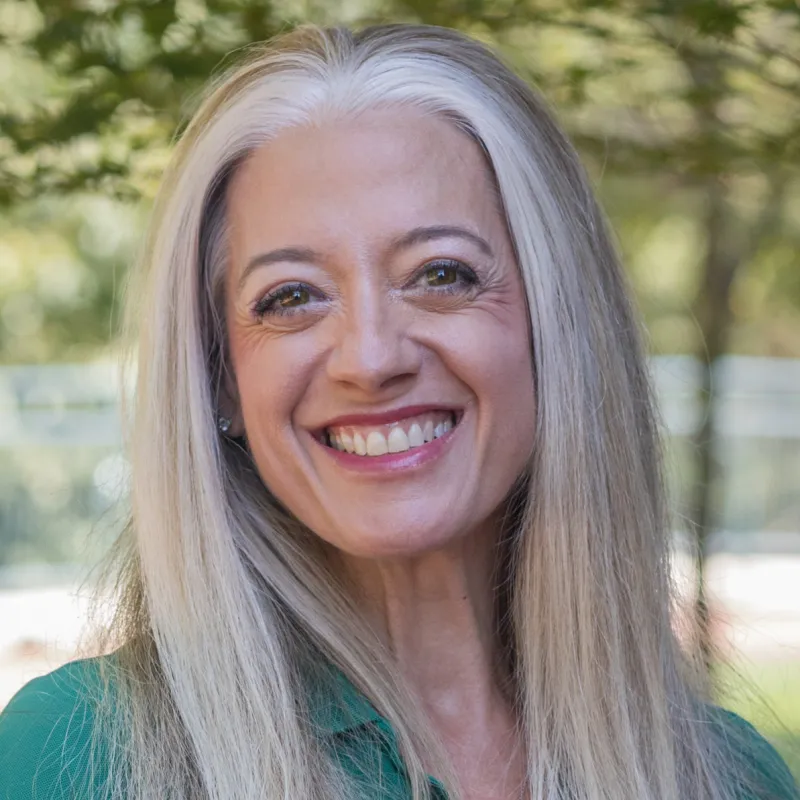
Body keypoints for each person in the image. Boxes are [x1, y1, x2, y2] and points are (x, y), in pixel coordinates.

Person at [0, 23, 797, 800]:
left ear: (559, 328)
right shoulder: (80, 759)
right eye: (291, 298)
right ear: (221, 381)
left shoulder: (726, 776)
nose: (372, 357)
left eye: (441, 274)